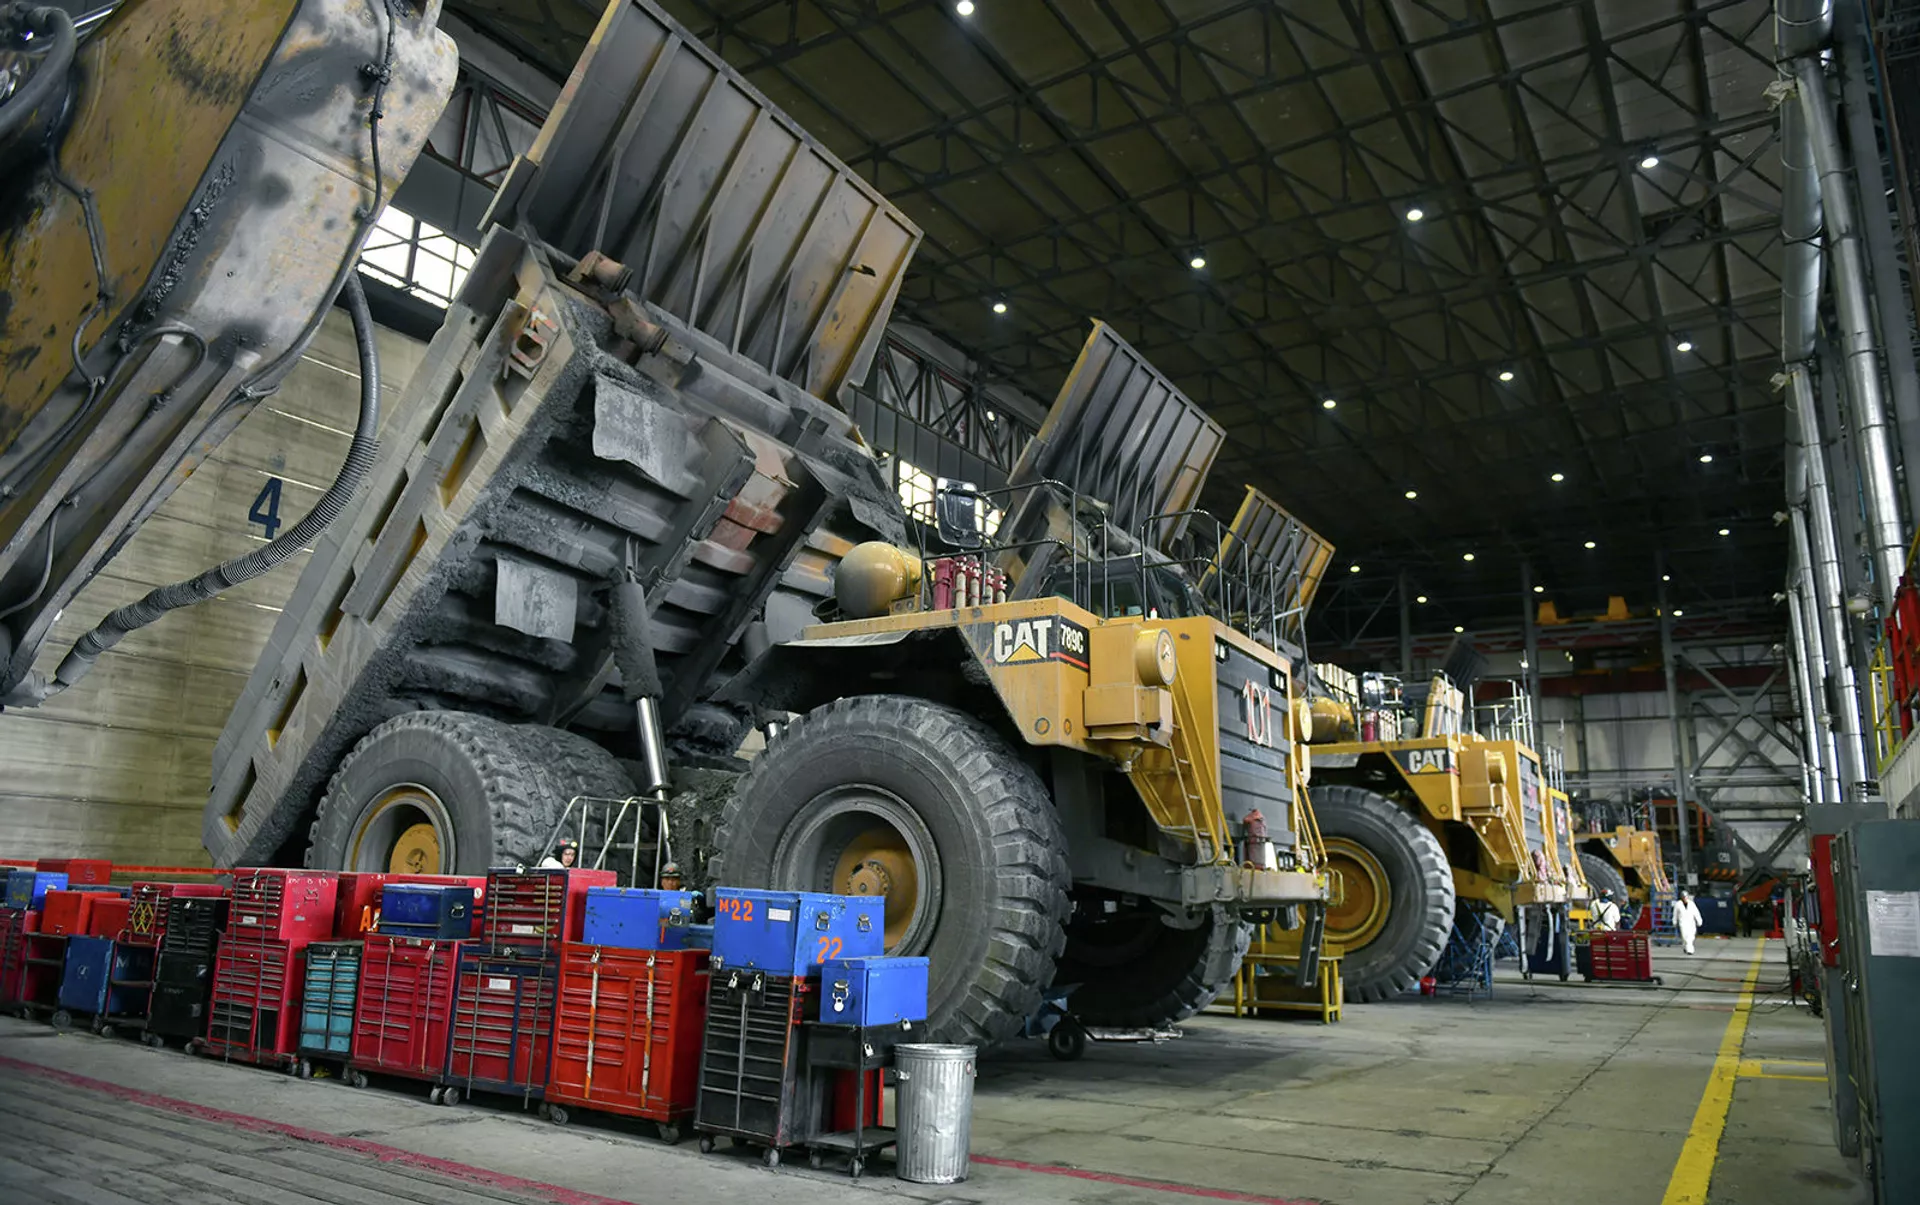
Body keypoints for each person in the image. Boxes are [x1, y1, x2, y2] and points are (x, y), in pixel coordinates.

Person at [1676, 889, 1705, 955]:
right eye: (1683, 897)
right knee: (1684, 937)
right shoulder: (1678, 904)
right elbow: (1675, 914)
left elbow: (1696, 913)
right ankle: (1687, 948)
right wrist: (1674, 921)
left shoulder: (1692, 904)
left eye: (1686, 897)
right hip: (1683, 923)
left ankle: (1689, 949)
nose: (1685, 898)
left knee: (1691, 937)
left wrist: (1699, 921)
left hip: (1691, 923)